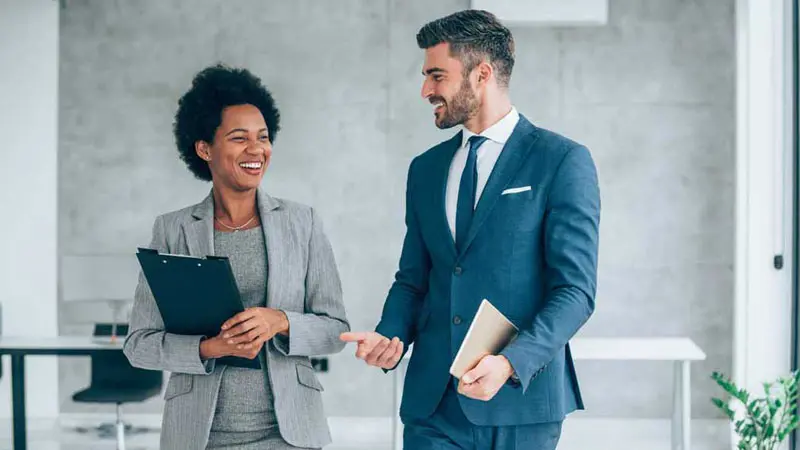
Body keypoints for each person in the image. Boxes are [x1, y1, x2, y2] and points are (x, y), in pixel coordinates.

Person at [341, 10, 600, 450]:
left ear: (481, 74)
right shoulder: (425, 170)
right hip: (433, 406)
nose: (426, 90)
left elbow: (575, 291)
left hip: (521, 404)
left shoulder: (561, 160)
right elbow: (413, 280)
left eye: (437, 76)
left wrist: (510, 364)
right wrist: (390, 334)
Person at [124, 64, 349, 450]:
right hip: (199, 435)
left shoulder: (302, 223)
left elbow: (335, 331)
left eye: (263, 137)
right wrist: (210, 348)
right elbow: (139, 345)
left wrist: (279, 321)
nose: (256, 149)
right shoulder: (172, 230)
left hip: (288, 434)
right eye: (239, 138)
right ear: (204, 148)